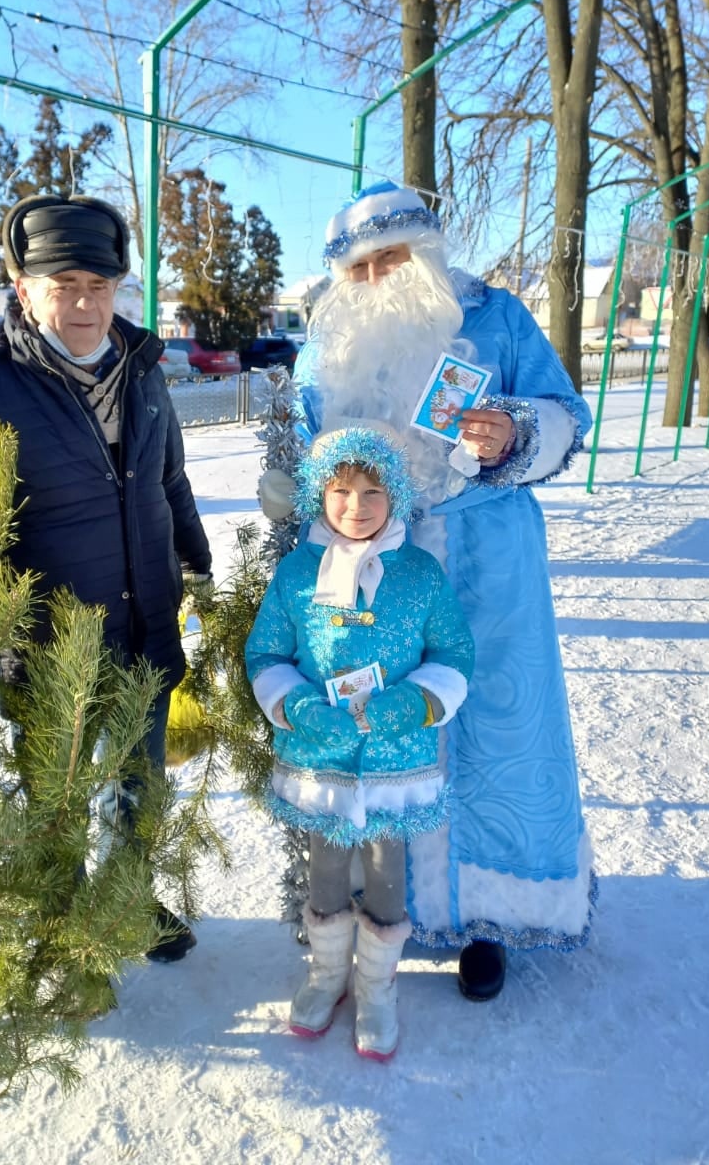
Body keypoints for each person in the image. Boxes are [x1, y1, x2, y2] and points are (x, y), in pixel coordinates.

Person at [266, 179, 595, 1003]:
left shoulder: (496, 319)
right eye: (361, 266)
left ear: (427, 253)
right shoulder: (326, 347)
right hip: (368, 574)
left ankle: (490, 919)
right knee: (373, 723)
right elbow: (308, 457)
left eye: (393, 258)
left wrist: (517, 430)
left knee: (492, 733)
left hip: (488, 560)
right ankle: (383, 911)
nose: (378, 278)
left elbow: (568, 417)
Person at [0, 193, 213, 962]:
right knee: (54, 800)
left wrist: (198, 562)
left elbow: (171, 481)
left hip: (148, 622)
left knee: (139, 787)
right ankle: (56, 920)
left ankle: (127, 900)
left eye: (101, 285)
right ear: (23, 289)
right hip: (52, 643)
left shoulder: (142, 367)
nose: (86, 303)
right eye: (65, 285)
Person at [246, 425, 474, 1059]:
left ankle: (376, 987)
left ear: (395, 495)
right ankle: (326, 976)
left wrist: (419, 701)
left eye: (374, 490)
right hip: (321, 761)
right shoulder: (297, 574)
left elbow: (454, 651)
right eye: (343, 490)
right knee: (324, 872)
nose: (357, 505)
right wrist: (293, 706)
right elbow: (267, 650)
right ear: (320, 494)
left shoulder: (420, 574)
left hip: (396, 762)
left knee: (384, 873)